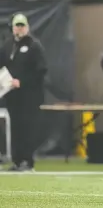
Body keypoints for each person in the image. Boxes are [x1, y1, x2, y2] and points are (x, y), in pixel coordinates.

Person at [0, 14, 47, 171]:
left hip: (30, 96)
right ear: (12, 28)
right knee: (16, 128)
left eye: (22, 26)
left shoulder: (34, 46)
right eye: (17, 26)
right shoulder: (7, 45)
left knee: (28, 128)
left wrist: (22, 81)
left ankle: (28, 160)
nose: (19, 28)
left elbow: (41, 70)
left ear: (27, 27)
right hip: (13, 95)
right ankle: (17, 161)